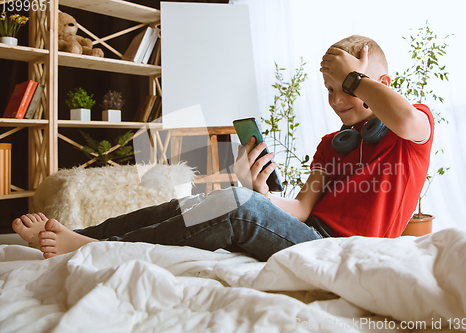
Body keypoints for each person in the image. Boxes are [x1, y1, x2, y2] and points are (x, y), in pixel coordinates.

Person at [12, 35, 433, 261]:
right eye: (329, 90)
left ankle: (95, 249)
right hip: (309, 233)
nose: (337, 100)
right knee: (215, 199)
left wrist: (355, 77)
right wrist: (259, 192)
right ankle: (81, 235)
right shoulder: (330, 145)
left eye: (346, 87)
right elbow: (304, 209)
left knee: (233, 204)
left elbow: (404, 121)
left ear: (381, 82)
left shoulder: (411, 129)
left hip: (341, 251)